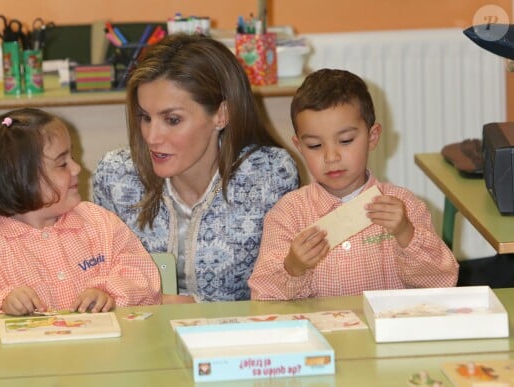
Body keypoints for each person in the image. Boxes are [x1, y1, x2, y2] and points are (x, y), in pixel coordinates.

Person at [92, 34, 299, 303]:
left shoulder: (269, 174)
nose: (152, 137)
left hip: (238, 339)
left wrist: (196, 309)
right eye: (145, 117)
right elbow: (100, 278)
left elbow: (285, 288)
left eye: (172, 119)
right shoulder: (115, 176)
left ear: (221, 115)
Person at [248, 69, 459, 300]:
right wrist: (293, 267)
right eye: (315, 146)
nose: (331, 157)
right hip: (322, 334)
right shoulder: (288, 214)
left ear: (372, 137)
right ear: (299, 146)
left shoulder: (403, 207)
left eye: (346, 141)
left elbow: (443, 281)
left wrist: (405, 233)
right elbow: (262, 297)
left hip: (386, 332)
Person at [0, 108, 161, 316]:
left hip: (103, 354)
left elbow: (143, 277)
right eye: (62, 163)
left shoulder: (100, 223)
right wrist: (1, 304)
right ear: (19, 179)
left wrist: (108, 293)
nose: (77, 168)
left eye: (72, 157)